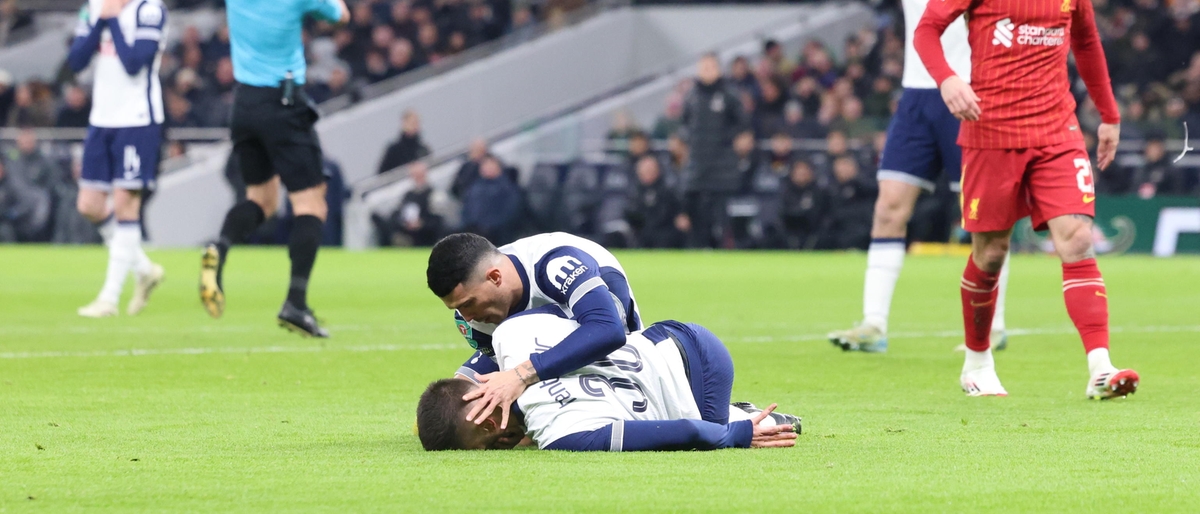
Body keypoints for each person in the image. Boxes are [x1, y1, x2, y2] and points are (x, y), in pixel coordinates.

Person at [916, 0, 1139, 398]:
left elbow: (1086, 42)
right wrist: (948, 79)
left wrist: (1109, 115)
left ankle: (1100, 368)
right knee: (990, 253)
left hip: (1057, 130)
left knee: (1077, 237)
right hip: (989, 133)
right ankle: (978, 362)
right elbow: (926, 30)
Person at [828, 0, 1012, 354]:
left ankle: (994, 325)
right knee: (888, 209)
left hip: (970, 88)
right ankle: (874, 324)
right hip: (917, 97)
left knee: (983, 217)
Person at [416, 307, 799, 451]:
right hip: (673, 334)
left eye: (484, 448)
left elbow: (687, 432)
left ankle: (740, 417)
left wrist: (735, 435)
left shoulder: (559, 434)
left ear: (487, 424)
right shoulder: (510, 334)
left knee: (712, 435)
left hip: (699, 385)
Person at [200, 0, 349, 337]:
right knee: (311, 204)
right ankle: (295, 302)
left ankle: (219, 248)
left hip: (243, 105)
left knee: (261, 200)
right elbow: (340, 15)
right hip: (283, 103)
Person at [424, 231, 645, 429]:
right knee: (458, 398)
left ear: (494, 277)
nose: (467, 316)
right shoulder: (472, 318)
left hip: (618, 351)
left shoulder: (556, 263)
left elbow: (607, 330)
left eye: (468, 303)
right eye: (457, 308)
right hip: (549, 353)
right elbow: (502, 371)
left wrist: (521, 375)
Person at [67, 0, 167, 318]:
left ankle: (108, 299)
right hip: (101, 119)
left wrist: (111, 22)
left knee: (126, 204)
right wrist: (101, 21)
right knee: (89, 205)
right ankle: (145, 269)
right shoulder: (94, 7)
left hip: (137, 120)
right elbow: (76, 60)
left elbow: (135, 62)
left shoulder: (150, 9)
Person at [679, 53, 750, 248]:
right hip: (697, 165)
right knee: (696, 213)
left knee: (721, 215)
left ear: (719, 69)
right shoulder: (692, 96)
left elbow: (742, 123)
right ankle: (698, 249)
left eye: (711, 67)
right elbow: (683, 125)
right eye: (703, 67)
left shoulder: (729, 94)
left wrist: (735, 140)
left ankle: (724, 247)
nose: (707, 71)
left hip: (722, 166)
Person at [625, 155, 686, 249]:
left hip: (664, 230)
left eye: (650, 170)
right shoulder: (634, 192)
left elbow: (677, 209)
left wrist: (681, 216)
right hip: (641, 231)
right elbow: (630, 213)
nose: (648, 173)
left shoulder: (667, 189)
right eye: (645, 170)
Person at [460, 155, 521, 245]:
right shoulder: (475, 187)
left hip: (498, 235)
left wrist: (489, 227)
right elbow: (467, 208)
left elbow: (510, 212)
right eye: (485, 165)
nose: (488, 168)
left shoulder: (507, 187)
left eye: (491, 165)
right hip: (475, 233)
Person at [377, 109, 431, 174]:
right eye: (412, 123)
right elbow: (382, 175)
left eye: (417, 123)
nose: (415, 126)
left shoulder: (424, 150)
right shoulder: (394, 150)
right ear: (404, 123)